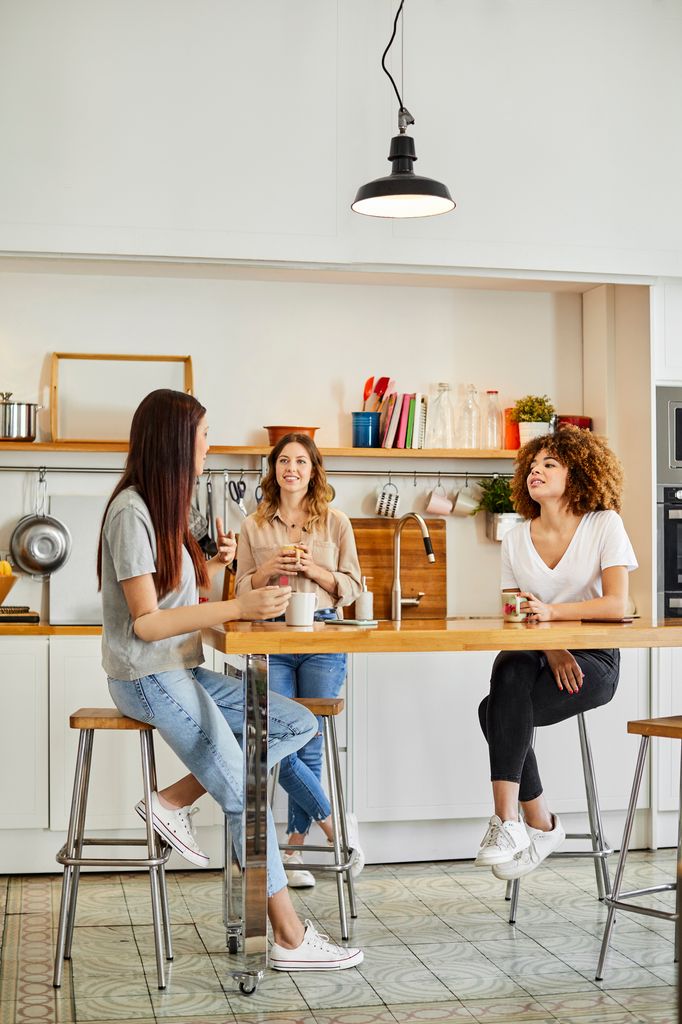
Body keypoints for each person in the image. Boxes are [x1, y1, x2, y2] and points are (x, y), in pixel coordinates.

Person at [97, 390, 363, 971]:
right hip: (146, 675)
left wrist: (217, 572)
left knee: (292, 721)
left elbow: (180, 603)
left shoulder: (165, 507)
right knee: (246, 795)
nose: (208, 444)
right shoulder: (131, 512)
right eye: (203, 434)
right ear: (175, 441)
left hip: (179, 666)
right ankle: (290, 939)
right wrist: (236, 603)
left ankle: (170, 800)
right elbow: (146, 624)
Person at [475, 425, 638, 880]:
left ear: (578, 474)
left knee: (494, 711)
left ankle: (537, 823)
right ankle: (512, 822)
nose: (536, 471)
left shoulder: (604, 524)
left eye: (550, 464)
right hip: (544, 654)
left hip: (596, 662)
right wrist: (553, 646)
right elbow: (516, 613)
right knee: (508, 665)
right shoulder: (515, 538)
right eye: (532, 464)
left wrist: (554, 620)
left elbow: (616, 604)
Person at [236, 432, 364, 888]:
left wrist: (312, 569)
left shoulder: (336, 523)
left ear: (314, 471)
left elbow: (352, 586)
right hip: (273, 635)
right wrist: (270, 569)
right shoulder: (253, 526)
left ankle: (293, 846)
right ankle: (332, 829)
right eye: (284, 461)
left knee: (309, 741)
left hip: (324, 633)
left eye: (301, 462)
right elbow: (240, 591)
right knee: (278, 736)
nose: (292, 468)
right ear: (274, 470)